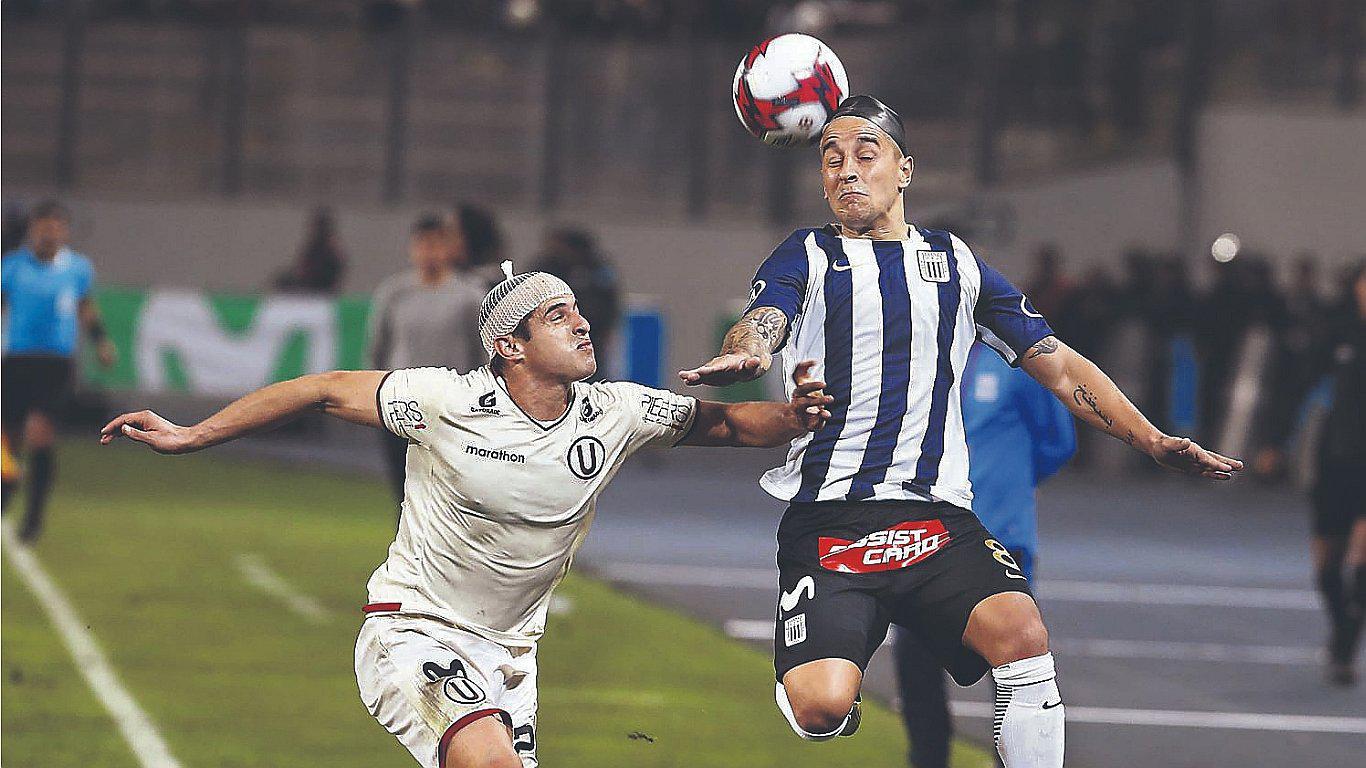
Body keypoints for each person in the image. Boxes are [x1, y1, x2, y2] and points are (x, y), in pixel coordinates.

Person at [679, 95, 1241, 767]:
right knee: (821, 709)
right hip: (829, 524)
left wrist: (1149, 439)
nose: (846, 172)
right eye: (831, 160)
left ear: (905, 169)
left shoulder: (958, 265)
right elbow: (765, 315)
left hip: (936, 520)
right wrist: (750, 348)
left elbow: (1059, 367)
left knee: (1024, 635)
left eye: (865, 155)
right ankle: (818, 693)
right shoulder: (808, 254)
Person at [100, 263, 835, 768]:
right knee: (486, 759)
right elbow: (321, 387)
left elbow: (731, 426)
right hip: (412, 628)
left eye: (578, 310)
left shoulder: (617, 411)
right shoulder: (445, 400)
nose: (582, 325)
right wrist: (193, 434)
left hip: (514, 655)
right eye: (558, 315)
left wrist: (796, 417)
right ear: (508, 345)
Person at [893, 340, 1075, 768]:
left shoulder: (1019, 365)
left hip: (1000, 535)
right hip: (926, 537)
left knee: (1015, 665)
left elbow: (1057, 441)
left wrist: (999, 486)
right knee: (915, 663)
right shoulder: (917, 360)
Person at [2, 200, 117, 542]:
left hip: (55, 365)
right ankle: (6, 494)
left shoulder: (78, 269)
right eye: (43, 224)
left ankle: (34, 517)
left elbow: (86, 307)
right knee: (9, 438)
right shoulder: (12, 267)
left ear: (64, 231)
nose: (49, 231)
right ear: (33, 228)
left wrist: (100, 341)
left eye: (56, 225)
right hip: (18, 360)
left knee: (40, 433)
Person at [367, 214, 486, 504]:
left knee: (448, 495)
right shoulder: (394, 293)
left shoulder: (471, 296)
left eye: (436, 244)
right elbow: (377, 348)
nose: (429, 252)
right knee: (404, 491)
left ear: (450, 248)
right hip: (401, 406)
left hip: (451, 410)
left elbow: (483, 354)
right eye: (422, 244)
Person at [1309, 260, 1365, 686]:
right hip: (1334, 462)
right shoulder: (1338, 333)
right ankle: (1341, 628)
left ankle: (1346, 645)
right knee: (1326, 569)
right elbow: (1295, 382)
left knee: (1361, 564)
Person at [533, 228, 621, 377]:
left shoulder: (598, 270)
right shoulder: (545, 269)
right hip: (555, 339)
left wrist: (606, 332)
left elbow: (610, 305)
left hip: (595, 336)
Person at [274, 207, 346, 293]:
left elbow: (336, 269)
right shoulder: (315, 246)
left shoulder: (330, 248)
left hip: (319, 287)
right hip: (309, 284)